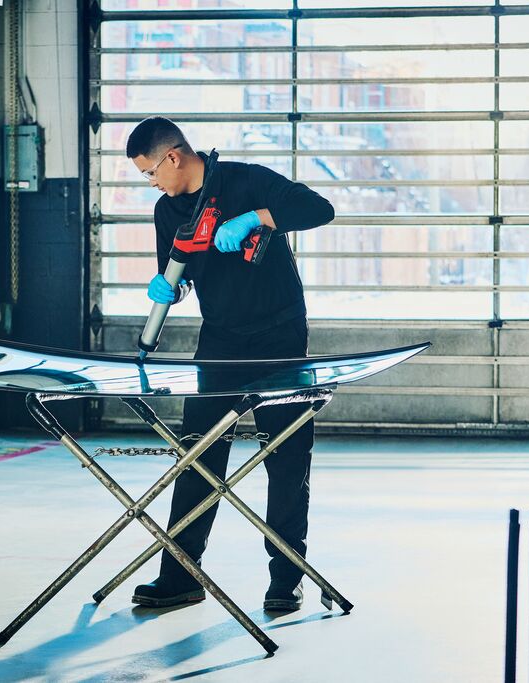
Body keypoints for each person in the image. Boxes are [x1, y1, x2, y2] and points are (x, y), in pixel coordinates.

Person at [127, 116, 335, 612]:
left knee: (285, 457)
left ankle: (287, 577)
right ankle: (180, 575)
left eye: (150, 172)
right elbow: (177, 275)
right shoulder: (166, 211)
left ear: (173, 157)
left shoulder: (247, 180)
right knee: (197, 455)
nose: (151, 183)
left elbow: (319, 209)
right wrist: (168, 289)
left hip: (280, 335)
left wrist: (256, 218)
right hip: (219, 341)